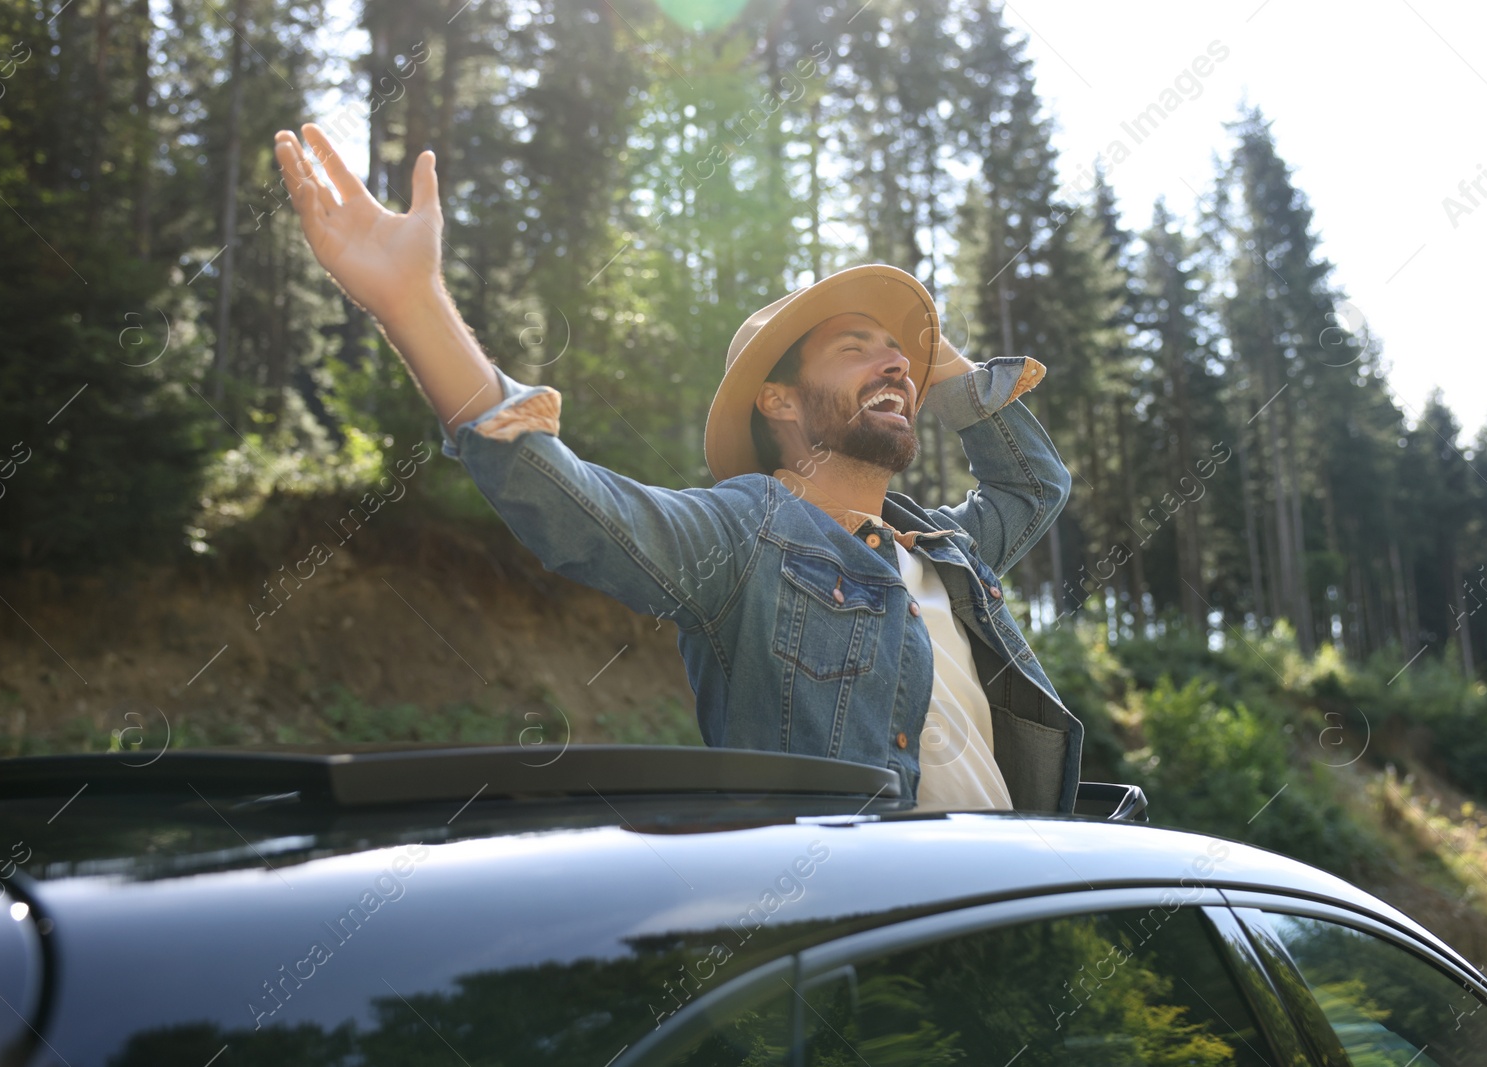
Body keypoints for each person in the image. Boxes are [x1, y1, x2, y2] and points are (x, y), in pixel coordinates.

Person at [273, 123, 1082, 812]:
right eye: (853, 348)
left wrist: (942, 367)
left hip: (1004, 933)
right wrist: (415, 302)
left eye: (902, 356)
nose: (896, 364)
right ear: (779, 401)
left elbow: (1034, 485)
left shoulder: (944, 549)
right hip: (860, 960)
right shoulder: (743, 538)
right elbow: (573, 509)